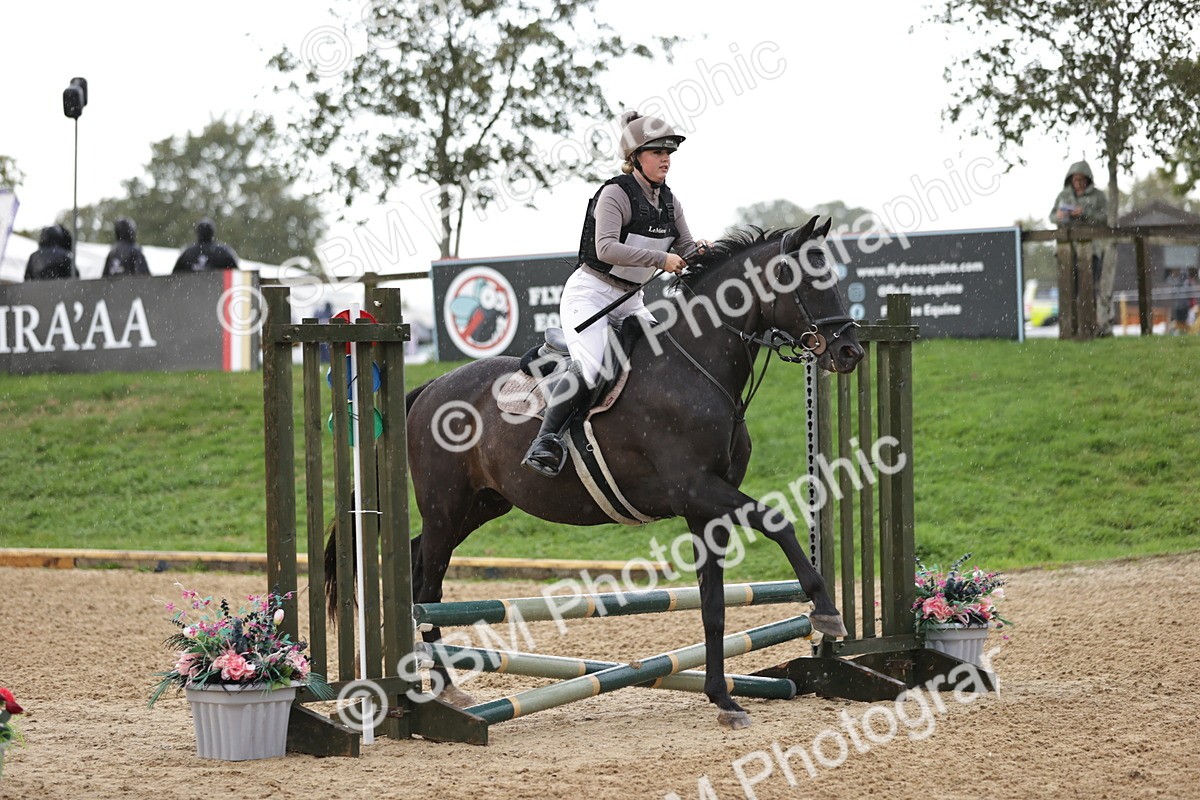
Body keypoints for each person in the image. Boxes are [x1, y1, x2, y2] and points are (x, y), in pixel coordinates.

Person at [521, 110, 709, 477]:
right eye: (657, 152)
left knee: (667, 357)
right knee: (593, 370)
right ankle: (545, 441)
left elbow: (684, 247)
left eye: (669, 151)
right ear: (635, 157)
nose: (665, 158)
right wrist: (661, 257)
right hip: (590, 294)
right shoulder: (615, 194)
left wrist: (702, 251)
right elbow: (606, 248)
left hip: (631, 300)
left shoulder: (670, 201)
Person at [1049, 160, 1108, 338]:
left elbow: (1104, 218)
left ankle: (1092, 328)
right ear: (1070, 180)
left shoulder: (1098, 196)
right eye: (1076, 180)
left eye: (1082, 180)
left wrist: (1084, 213)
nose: (1079, 183)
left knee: (1089, 289)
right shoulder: (1063, 196)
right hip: (1067, 251)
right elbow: (1052, 216)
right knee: (1069, 290)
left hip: (1092, 250)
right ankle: (1070, 329)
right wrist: (1060, 216)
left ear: (1088, 180)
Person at [173, 218, 239, 272]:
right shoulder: (223, 252)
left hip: (193, 287)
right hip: (217, 287)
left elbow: (174, 278)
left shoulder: (187, 253)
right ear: (213, 232)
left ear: (197, 232)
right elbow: (237, 276)